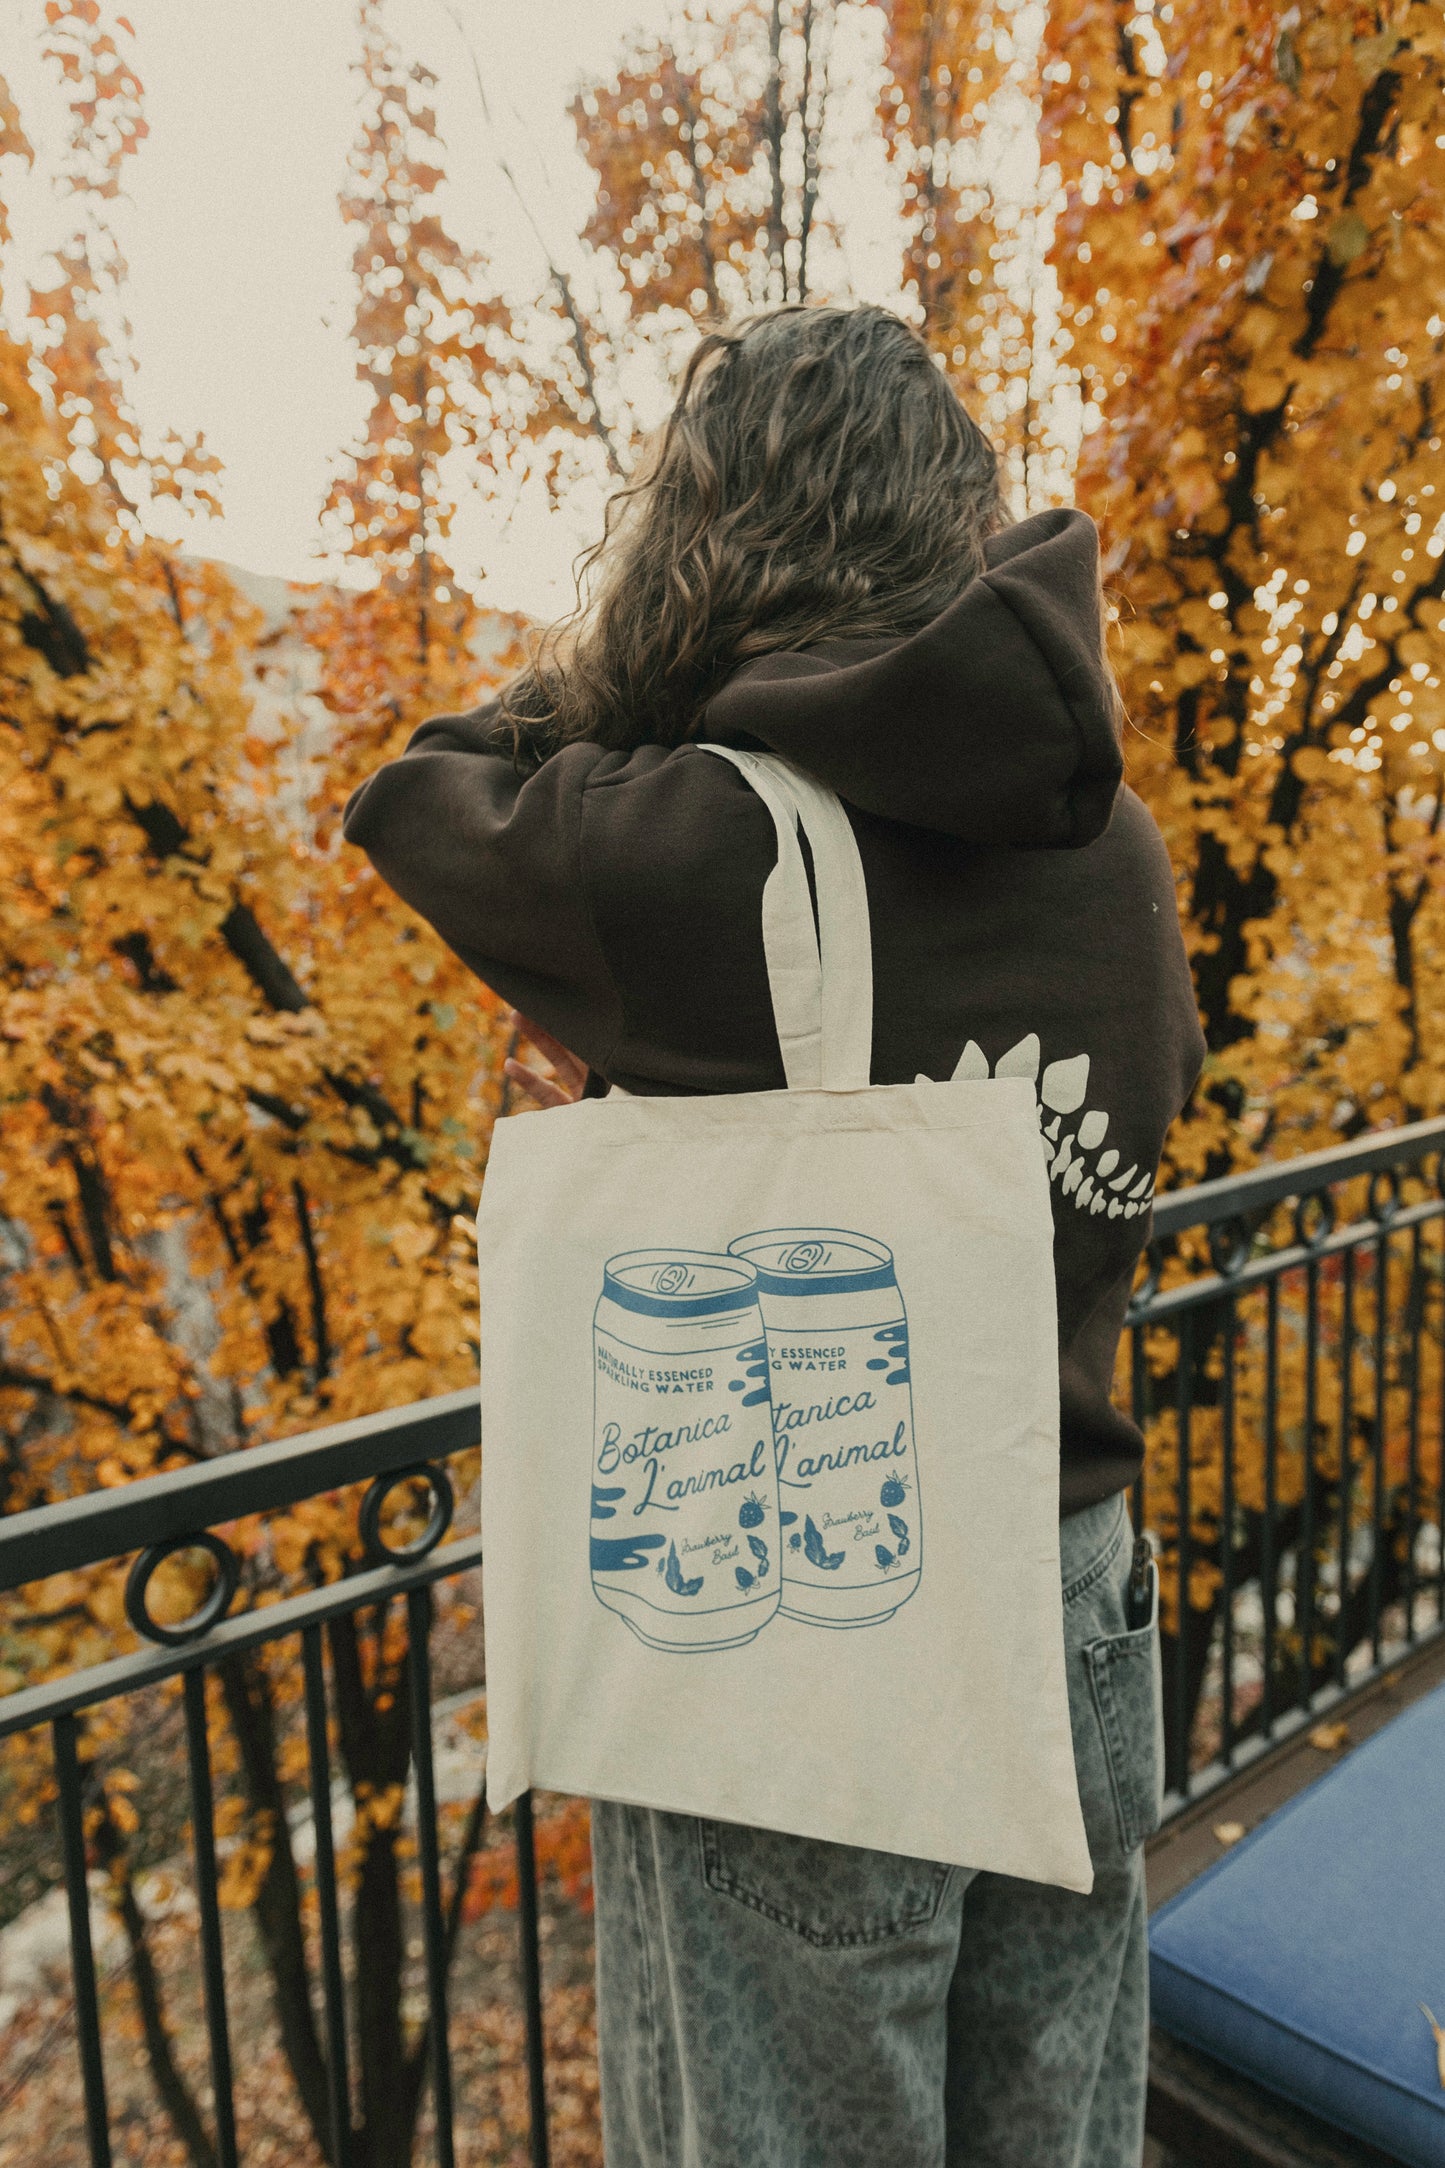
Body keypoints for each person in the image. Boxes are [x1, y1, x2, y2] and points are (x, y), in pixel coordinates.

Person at [344, 303, 1205, 2168]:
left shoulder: (707, 851)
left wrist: (651, 656)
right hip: (1080, 1598)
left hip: (823, 1613)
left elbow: (420, 793)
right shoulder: (1112, 840)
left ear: (709, 538)